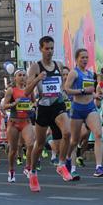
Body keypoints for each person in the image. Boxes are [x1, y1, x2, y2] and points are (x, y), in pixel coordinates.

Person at [24, 36, 71, 182]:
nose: (49, 51)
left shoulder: (59, 65)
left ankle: (61, 164)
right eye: (46, 48)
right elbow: (26, 91)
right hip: (43, 108)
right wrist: (38, 78)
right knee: (39, 144)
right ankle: (32, 172)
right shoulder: (35, 67)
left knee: (67, 133)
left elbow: (61, 85)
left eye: (51, 48)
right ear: (41, 49)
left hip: (57, 104)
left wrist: (63, 92)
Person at [64, 48, 103, 178]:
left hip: (90, 108)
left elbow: (89, 90)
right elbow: (67, 89)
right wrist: (82, 91)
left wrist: (95, 95)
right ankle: (70, 162)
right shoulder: (74, 73)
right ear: (77, 59)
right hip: (77, 108)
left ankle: (99, 167)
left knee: (98, 134)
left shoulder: (90, 74)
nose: (85, 60)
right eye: (82, 57)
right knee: (74, 140)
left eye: (87, 57)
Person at [3, 69, 36, 186]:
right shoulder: (11, 90)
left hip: (26, 121)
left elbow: (34, 102)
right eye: (20, 75)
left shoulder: (29, 90)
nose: (22, 77)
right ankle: (11, 171)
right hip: (13, 122)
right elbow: (4, 106)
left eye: (24, 75)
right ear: (15, 78)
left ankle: (27, 167)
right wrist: (14, 104)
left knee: (30, 144)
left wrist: (32, 107)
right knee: (13, 150)